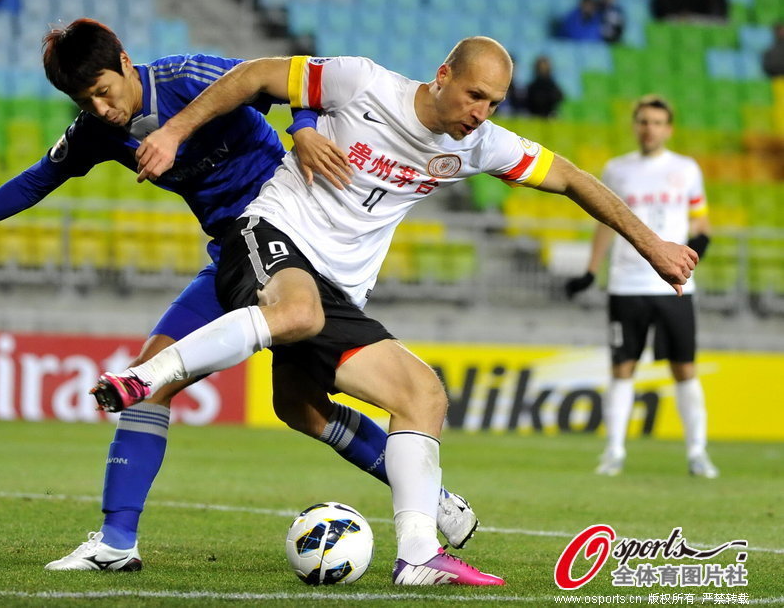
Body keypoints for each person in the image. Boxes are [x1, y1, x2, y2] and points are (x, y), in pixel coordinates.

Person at [91, 38, 699, 584]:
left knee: (418, 396)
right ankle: (144, 378)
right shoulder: (363, 82)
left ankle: (417, 554)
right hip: (272, 235)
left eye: (493, 102)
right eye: (473, 95)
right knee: (297, 312)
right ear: (442, 75)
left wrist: (653, 246)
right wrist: (174, 133)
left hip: (340, 291)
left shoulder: (481, 144)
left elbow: (569, 177)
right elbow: (256, 76)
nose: (480, 113)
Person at [0, 19, 479, 572]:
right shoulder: (100, 131)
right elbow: (35, 179)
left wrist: (302, 129)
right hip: (233, 255)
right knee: (175, 384)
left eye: (104, 91)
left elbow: (289, 78)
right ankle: (116, 541)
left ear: (126, 62)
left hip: (293, 244)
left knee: (297, 402)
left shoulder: (190, 78)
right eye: (86, 102)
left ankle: (432, 500)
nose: (102, 109)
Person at [564, 95, 717, 479]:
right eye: (644, 121)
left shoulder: (686, 169)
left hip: (674, 288)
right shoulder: (617, 171)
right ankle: (614, 451)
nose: (649, 128)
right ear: (635, 125)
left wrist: (690, 256)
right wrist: (590, 270)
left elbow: (701, 225)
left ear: (669, 129)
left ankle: (698, 453)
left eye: (657, 122)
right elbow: (605, 222)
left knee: (685, 369)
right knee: (622, 368)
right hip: (626, 284)